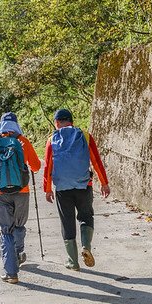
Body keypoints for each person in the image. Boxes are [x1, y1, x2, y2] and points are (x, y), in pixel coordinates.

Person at [43, 108, 110, 271]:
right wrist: (104, 182)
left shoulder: (52, 139)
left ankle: (73, 261)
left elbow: (48, 166)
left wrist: (47, 188)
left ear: (57, 122)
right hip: (84, 185)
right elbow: (96, 160)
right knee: (86, 216)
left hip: (62, 188)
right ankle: (85, 246)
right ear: (72, 121)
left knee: (67, 222)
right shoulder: (85, 136)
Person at [0, 112, 41, 284]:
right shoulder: (23, 141)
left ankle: (11, 273)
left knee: (5, 229)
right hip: (22, 192)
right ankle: (18, 253)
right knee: (19, 225)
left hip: (0, 193)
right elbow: (36, 166)